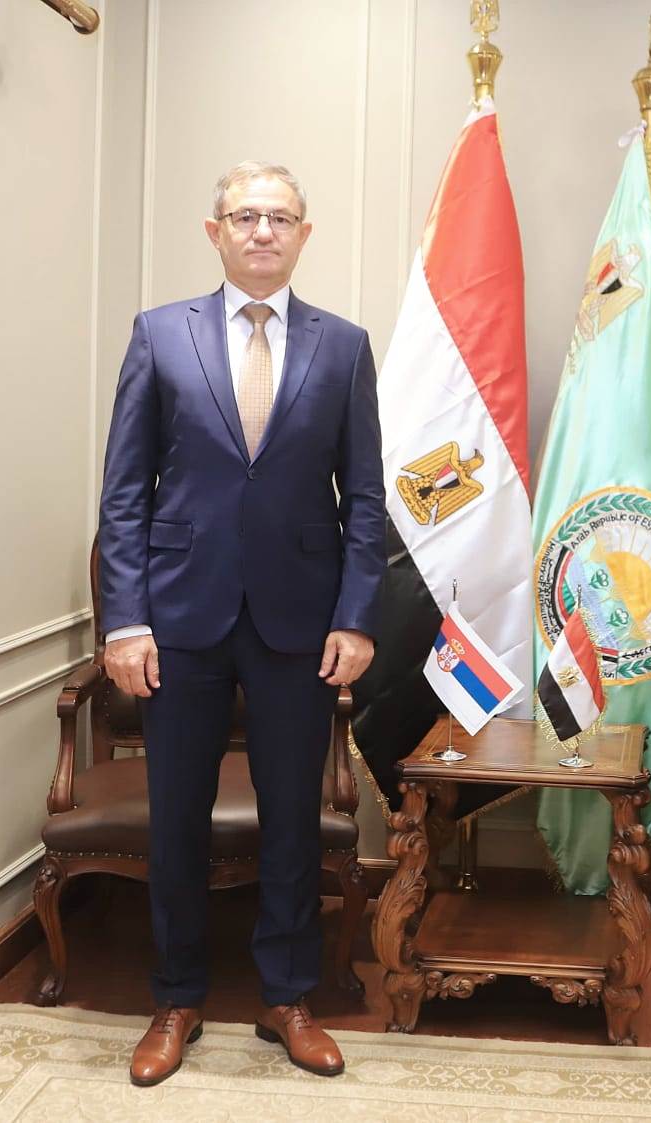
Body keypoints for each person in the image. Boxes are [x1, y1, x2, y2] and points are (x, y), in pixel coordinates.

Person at [98, 161, 386, 1087]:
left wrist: (356, 617)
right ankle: (176, 997)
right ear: (214, 230)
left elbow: (366, 499)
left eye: (280, 218)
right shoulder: (159, 334)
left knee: (292, 816)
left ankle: (287, 997)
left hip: (299, 621)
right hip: (178, 617)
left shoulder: (344, 347)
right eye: (246, 216)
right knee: (176, 815)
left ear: (304, 234)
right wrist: (125, 621)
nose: (263, 231)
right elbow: (124, 493)